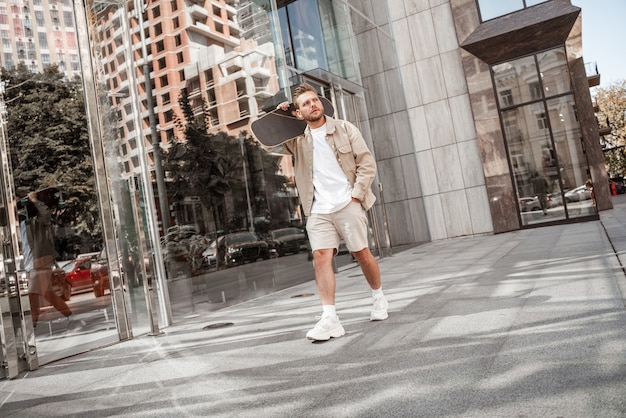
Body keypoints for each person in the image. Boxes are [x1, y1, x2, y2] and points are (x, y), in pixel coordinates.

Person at [272, 83, 388, 341]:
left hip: (348, 202)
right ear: (298, 113)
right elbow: (270, 143)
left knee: (361, 254)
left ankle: (378, 297)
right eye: (305, 103)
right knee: (321, 258)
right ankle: (330, 318)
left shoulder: (345, 128)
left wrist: (357, 195)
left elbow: (366, 163)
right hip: (318, 208)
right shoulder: (298, 140)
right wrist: (281, 115)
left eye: (315, 100)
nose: (313, 104)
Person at [20, 190, 72, 328]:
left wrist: (35, 200)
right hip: (31, 265)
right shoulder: (22, 224)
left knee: (32, 294)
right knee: (46, 293)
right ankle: (68, 315)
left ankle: (33, 324)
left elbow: (47, 215)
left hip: (41, 262)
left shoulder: (37, 222)